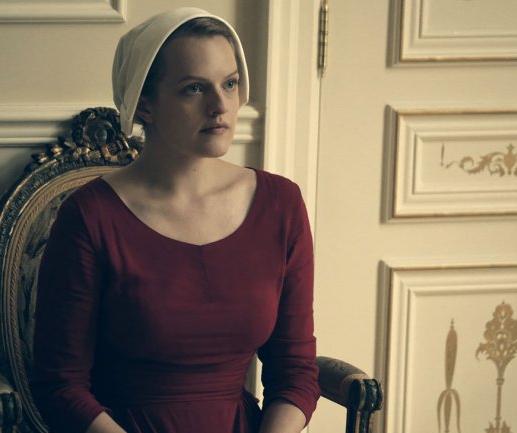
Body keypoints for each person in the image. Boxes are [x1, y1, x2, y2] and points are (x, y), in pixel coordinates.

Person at [30, 7, 320, 433]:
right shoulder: (90, 216)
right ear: (145, 104)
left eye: (230, 83)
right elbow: (60, 385)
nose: (220, 106)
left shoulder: (281, 203)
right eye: (193, 89)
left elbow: (295, 371)